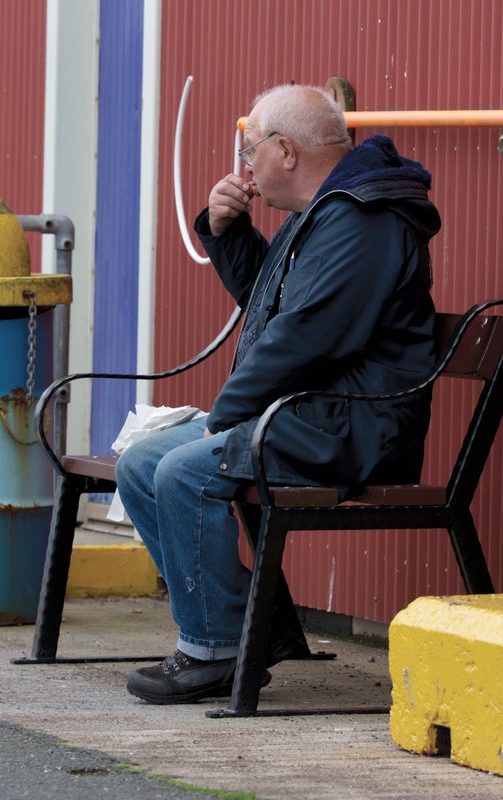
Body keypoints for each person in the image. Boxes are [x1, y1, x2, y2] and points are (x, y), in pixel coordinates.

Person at [115, 84, 439, 705]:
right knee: (143, 463)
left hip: (354, 426)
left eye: (249, 149)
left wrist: (228, 416)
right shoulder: (325, 210)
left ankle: (216, 649)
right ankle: (244, 631)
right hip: (312, 412)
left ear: (285, 150)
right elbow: (272, 309)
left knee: (184, 471)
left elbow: (304, 337)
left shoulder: (362, 217)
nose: (244, 167)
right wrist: (225, 229)